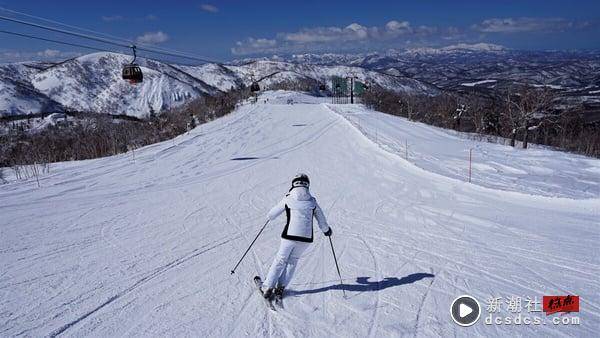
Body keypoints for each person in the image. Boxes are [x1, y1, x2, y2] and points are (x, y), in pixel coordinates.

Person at [262, 173, 331, 300]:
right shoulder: (312, 201)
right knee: (292, 261)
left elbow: (272, 214)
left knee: (280, 260)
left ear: (294, 184)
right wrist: (326, 230)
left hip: (289, 236)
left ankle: (267, 287)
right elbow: (321, 219)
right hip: (306, 239)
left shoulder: (288, 198)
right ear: (307, 185)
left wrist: (269, 217)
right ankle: (280, 287)